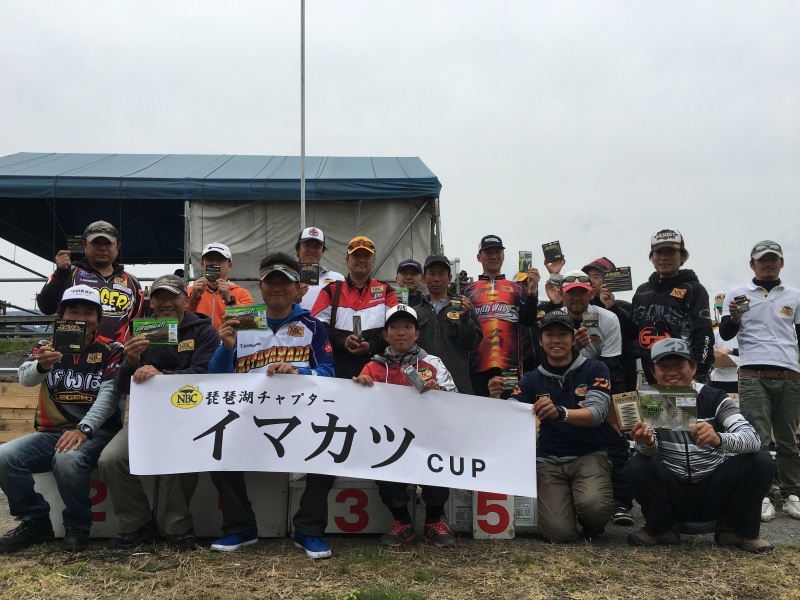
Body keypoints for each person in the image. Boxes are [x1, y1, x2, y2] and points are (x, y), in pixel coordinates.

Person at [207, 252, 335, 558]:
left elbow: (330, 373)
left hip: (301, 418)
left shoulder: (313, 326)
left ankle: (309, 530)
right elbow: (216, 378)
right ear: (260, 287)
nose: (277, 287)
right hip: (249, 417)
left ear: (296, 287)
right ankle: (240, 528)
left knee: (329, 451)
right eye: (270, 281)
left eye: (285, 281)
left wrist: (299, 372)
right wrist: (225, 348)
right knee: (216, 446)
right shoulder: (242, 320)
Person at [98, 274, 220, 551]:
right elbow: (122, 385)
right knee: (109, 459)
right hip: (147, 421)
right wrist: (130, 361)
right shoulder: (140, 330)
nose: (166, 303)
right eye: (159, 297)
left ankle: (178, 527)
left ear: (186, 300)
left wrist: (162, 375)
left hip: (189, 420)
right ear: (151, 302)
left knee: (181, 456)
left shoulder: (204, 330)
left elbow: (206, 374)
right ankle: (137, 523)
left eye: (173, 296)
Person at [0, 286, 123, 553]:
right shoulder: (47, 346)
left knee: (68, 458)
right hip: (50, 432)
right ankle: (35, 522)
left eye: (88, 312)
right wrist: (42, 365)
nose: (81, 316)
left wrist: (84, 429)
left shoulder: (112, 349)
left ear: (98, 318)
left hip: (97, 432)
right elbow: (25, 379)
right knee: (4, 456)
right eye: (73, 310)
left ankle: (78, 527)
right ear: (62, 316)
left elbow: (110, 396)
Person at [624, 338, 774, 553]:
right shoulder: (651, 399)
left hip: (713, 488)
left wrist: (719, 439)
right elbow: (647, 453)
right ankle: (661, 528)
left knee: (761, 460)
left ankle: (737, 531)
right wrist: (646, 443)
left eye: (679, 365)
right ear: (654, 372)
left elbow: (753, 440)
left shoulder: (715, 397)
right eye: (663, 367)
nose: (671, 372)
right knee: (636, 465)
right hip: (672, 490)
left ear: (693, 368)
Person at [489, 311, 614, 543]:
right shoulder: (530, 379)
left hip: (589, 454)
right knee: (558, 533)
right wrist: (495, 398)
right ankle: (568, 506)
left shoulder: (595, 369)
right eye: (549, 334)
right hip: (548, 461)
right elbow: (510, 416)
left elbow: (597, 414)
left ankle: (588, 517)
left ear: (573, 338)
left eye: (563, 335)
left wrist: (561, 413)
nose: (556, 340)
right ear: (540, 340)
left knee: (595, 508)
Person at [353, 305, 458, 547]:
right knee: (381, 463)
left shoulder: (433, 363)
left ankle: (433, 522)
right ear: (385, 335)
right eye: (395, 327)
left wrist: (439, 391)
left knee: (440, 460)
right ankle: (403, 522)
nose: (401, 332)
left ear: (417, 334)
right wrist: (359, 386)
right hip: (388, 440)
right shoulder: (373, 366)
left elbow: (455, 399)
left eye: (408, 327)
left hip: (427, 438)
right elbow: (358, 408)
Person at [720, 240, 800, 522]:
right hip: (752, 373)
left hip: (790, 373)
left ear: (781, 263)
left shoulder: (794, 295)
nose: (768, 264)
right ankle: (762, 494)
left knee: (789, 439)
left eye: (773, 259)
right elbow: (727, 334)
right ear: (752, 264)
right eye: (762, 260)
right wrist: (733, 318)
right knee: (758, 438)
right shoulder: (738, 293)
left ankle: (792, 494)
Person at [554, 270, 634, 526]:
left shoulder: (608, 318)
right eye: (570, 293)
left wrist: (610, 405)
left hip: (603, 378)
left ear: (591, 293)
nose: (576, 298)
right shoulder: (555, 320)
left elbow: (612, 364)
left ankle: (622, 502)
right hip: (567, 381)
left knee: (617, 437)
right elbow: (550, 364)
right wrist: (574, 349)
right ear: (562, 296)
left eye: (581, 292)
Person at [607, 228, 713, 383]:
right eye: (659, 253)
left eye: (670, 252)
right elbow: (633, 331)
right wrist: (613, 307)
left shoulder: (693, 289)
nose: (664, 258)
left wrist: (699, 373)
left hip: (686, 376)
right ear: (652, 257)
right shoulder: (643, 291)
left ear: (682, 257)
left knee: (689, 409)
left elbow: (704, 334)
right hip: (654, 375)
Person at [37, 220, 144, 343]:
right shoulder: (68, 272)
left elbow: (138, 326)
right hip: (74, 355)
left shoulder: (132, 281)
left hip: (118, 357)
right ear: (84, 244)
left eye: (108, 243)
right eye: (96, 243)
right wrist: (59, 274)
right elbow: (46, 307)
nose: (102, 248)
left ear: (117, 246)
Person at [463, 235, 539, 397]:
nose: (494, 256)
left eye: (497, 252)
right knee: (481, 412)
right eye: (488, 252)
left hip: (509, 364)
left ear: (503, 256)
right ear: (479, 257)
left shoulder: (517, 289)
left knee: (509, 408)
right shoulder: (468, 290)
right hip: (477, 365)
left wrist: (532, 291)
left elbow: (528, 321)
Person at [312, 236, 398, 379]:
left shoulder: (386, 290)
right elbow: (317, 327)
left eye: (367, 256)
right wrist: (343, 341)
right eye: (356, 255)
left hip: (378, 368)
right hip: (339, 368)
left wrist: (371, 345)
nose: (362, 259)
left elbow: (395, 328)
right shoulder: (331, 290)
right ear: (347, 260)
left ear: (374, 261)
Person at [415, 254, 482, 395]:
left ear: (450, 278)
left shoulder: (464, 306)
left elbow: (472, 343)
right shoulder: (415, 312)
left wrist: (465, 318)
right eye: (431, 273)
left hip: (458, 382)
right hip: (422, 382)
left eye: (441, 274)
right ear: (423, 278)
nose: (436, 278)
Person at [581, 256, 639, 393]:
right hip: (589, 372)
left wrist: (612, 307)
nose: (591, 281)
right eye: (588, 277)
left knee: (622, 412)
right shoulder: (579, 307)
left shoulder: (622, 306)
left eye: (596, 277)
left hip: (622, 373)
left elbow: (633, 332)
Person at [187, 242, 254, 329]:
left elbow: (250, 324)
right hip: (199, 342)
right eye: (209, 259)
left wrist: (230, 301)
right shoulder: (189, 291)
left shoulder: (241, 293)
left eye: (220, 259)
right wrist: (193, 299)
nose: (214, 263)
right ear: (202, 265)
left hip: (229, 342)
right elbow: (179, 322)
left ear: (229, 266)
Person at [294, 227, 345, 311]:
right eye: (307, 245)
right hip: (294, 324)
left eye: (317, 246)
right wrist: (290, 301)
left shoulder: (337, 279)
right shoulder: (287, 278)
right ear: (298, 249)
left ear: (322, 251)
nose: (312, 250)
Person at [709, 291, 740, 394]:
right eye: (719, 309)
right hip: (718, 378)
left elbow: (751, 350)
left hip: (738, 377)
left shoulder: (744, 330)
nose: (722, 311)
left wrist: (729, 351)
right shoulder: (715, 332)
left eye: (724, 308)